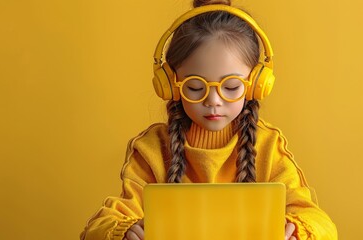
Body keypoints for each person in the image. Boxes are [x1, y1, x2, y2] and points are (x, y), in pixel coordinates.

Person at [80, 0, 338, 239]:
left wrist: (298, 231)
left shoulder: (268, 146)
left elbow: (322, 224)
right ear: (171, 85)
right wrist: (124, 231)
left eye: (231, 87)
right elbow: (97, 227)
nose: (213, 100)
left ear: (256, 85)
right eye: (195, 87)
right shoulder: (152, 148)